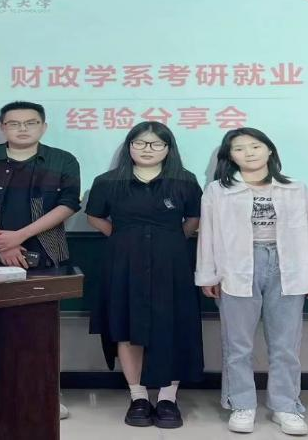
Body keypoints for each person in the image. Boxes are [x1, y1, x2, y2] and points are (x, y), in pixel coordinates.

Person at [196, 128, 308, 437]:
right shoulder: (218, 190)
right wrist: (208, 275)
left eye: (256, 146)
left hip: (288, 266)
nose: (249, 152)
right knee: (237, 344)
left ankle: (286, 406)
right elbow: (208, 235)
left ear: (270, 150)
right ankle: (242, 404)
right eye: (239, 148)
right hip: (237, 267)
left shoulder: (296, 188)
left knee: (285, 344)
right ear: (230, 157)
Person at [0, 101, 81, 419]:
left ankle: (47, 393)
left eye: (30, 122)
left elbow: (68, 204)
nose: (22, 129)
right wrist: (1, 240)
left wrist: (18, 237)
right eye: (14, 123)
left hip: (46, 254)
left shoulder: (63, 159)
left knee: (42, 328)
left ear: (43, 126)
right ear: (2, 127)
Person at [85, 121, 203, 429]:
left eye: (155, 144)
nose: (147, 149)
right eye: (139, 143)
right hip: (123, 262)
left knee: (173, 326)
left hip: (172, 263)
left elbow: (193, 219)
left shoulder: (185, 180)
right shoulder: (108, 181)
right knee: (126, 327)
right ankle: (138, 397)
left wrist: (170, 241)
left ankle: (167, 399)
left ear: (168, 148)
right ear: (129, 146)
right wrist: (122, 237)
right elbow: (94, 216)